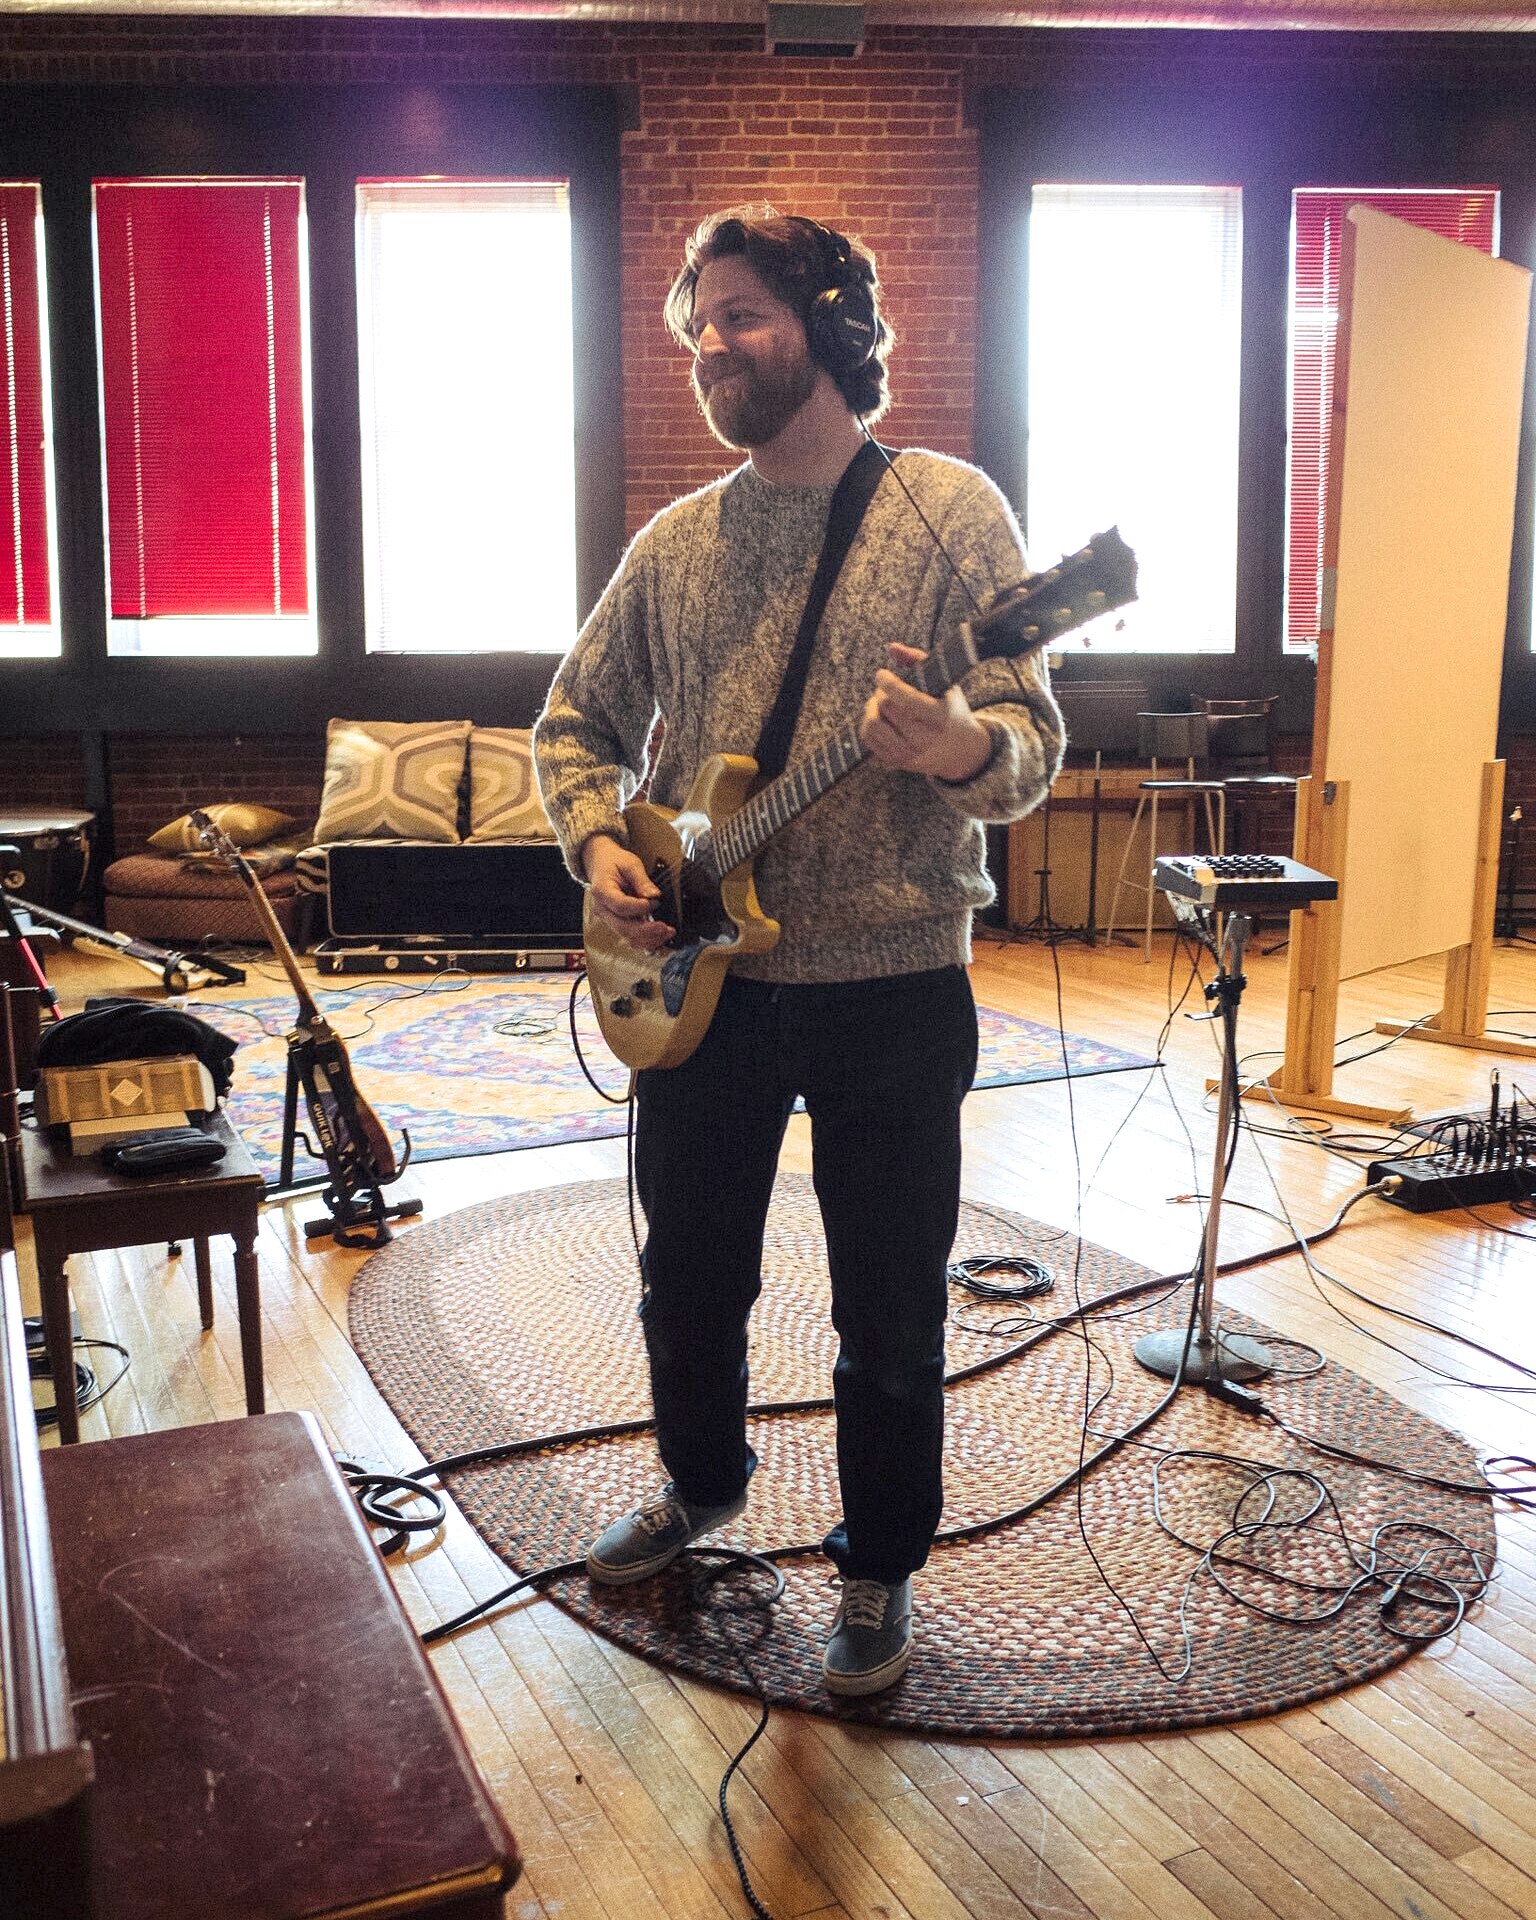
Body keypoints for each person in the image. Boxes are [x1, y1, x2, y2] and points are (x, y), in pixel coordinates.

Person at [533, 205, 1064, 1696]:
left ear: (832, 327)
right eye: (698, 321)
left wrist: (961, 743)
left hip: (895, 985)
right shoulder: (676, 545)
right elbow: (571, 725)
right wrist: (603, 847)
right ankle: (702, 1484)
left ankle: (880, 1562)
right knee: (687, 1278)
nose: (712, 345)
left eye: (745, 316)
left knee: (887, 1303)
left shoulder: (951, 515)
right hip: (705, 997)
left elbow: (1030, 741)